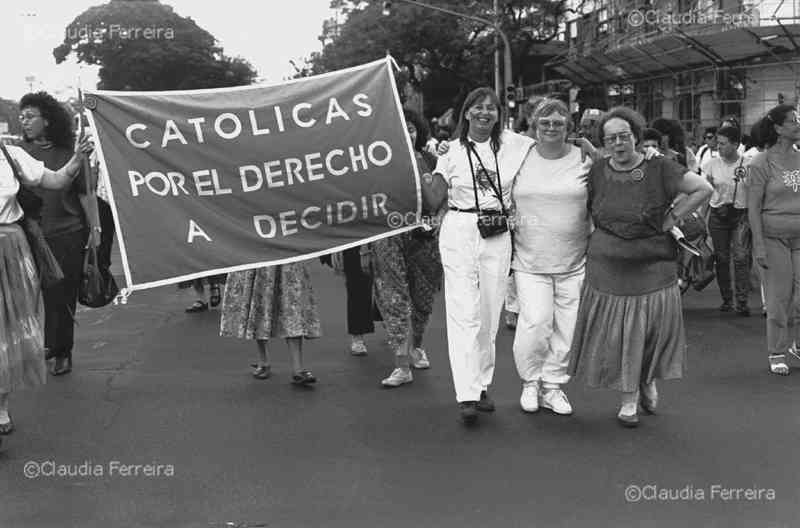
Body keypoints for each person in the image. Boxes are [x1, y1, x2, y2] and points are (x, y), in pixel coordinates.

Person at [568, 106, 712, 428]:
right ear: (604, 143)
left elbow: (704, 189)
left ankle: (642, 383)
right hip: (606, 270)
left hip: (653, 270)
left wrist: (672, 218)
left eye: (624, 136)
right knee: (620, 338)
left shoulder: (661, 167)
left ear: (636, 136)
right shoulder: (598, 170)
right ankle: (630, 395)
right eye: (611, 139)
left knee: (644, 336)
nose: (618, 144)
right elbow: (588, 209)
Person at [419, 87, 534, 424]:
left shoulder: (515, 145)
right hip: (460, 229)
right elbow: (434, 198)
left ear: (499, 115)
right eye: (478, 108)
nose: (485, 113)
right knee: (463, 313)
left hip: (497, 233)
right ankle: (466, 393)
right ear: (466, 113)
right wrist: (422, 171)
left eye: (492, 108)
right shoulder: (451, 151)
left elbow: (549, 142)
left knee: (488, 313)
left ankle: (482, 383)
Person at [0, 129, 93, 438]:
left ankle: (1, 408)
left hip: (10, 249)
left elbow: (54, 180)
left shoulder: (10, 155)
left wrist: (77, 159)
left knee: (9, 328)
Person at [511, 98, 593, 415]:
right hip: (529, 259)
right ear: (534, 125)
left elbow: (608, 179)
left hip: (575, 259)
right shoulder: (520, 156)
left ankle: (553, 385)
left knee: (569, 330)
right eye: (544, 122)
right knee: (535, 324)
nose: (551, 127)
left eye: (558, 123)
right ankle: (530, 382)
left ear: (568, 128)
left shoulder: (585, 157)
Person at [19, 92, 101, 377]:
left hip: (67, 233)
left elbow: (87, 194)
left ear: (48, 119)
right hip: (29, 236)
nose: (24, 122)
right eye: (22, 117)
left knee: (62, 295)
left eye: (30, 116)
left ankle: (62, 350)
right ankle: (48, 344)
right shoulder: (18, 153)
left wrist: (95, 230)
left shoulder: (71, 153)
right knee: (35, 295)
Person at [369, 108, 443, 387]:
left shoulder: (430, 159)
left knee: (422, 299)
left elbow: (445, 194)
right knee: (394, 298)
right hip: (388, 236)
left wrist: (439, 220)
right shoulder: (374, 161)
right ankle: (401, 365)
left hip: (424, 237)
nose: (407, 133)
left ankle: (417, 346)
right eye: (400, 128)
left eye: (411, 128)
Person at [746, 104, 800, 375]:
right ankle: (777, 351)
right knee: (780, 298)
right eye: (793, 121)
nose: (798, 124)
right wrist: (758, 245)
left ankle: (798, 347)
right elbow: (753, 207)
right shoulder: (760, 163)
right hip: (773, 237)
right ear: (778, 129)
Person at [220, 263, 320, 384]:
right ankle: (264, 360)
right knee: (258, 302)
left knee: (292, 305)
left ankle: (298, 369)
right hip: (257, 255)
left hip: (286, 256)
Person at [703, 125, 752, 315]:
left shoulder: (749, 165)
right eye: (718, 143)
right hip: (718, 215)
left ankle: (742, 301)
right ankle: (727, 299)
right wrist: (701, 215)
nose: (718, 147)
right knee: (722, 258)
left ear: (736, 144)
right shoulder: (711, 165)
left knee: (741, 257)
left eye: (723, 144)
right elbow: (705, 193)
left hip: (741, 214)